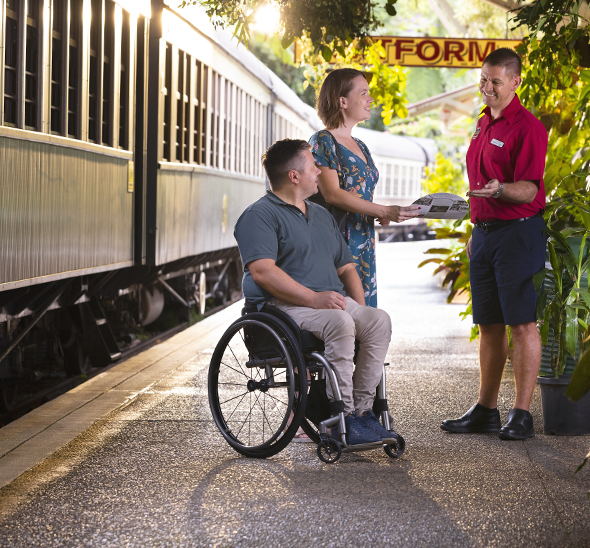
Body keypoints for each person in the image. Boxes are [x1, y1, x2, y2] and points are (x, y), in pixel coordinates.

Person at [234, 139, 395, 446]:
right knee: (340, 322)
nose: (320, 170)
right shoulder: (259, 215)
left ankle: (362, 414)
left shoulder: (320, 215)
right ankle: (342, 416)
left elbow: (346, 267)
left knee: (378, 321)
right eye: (313, 166)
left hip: (331, 303)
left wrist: (361, 312)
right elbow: (262, 271)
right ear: (294, 176)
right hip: (283, 306)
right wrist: (314, 299)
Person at [440, 48, 548, 441]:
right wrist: (474, 229)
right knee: (488, 324)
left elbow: (530, 188)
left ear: (516, 82)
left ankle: (521, 414)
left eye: (495, 82)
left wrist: (500, 189)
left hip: (518, 235)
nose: (487, 87)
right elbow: (478, 185)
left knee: (521, 323)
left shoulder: (528, 127)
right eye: (483, 79)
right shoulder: (483, 124)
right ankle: (486, 410)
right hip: (484, 235)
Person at [310, 68, 420, 308]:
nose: (370, 99)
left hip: (364, 239)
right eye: (364, 93)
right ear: (342, 101)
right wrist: (382, 210)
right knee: (346, 315)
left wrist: (378, 212)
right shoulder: (323, 141)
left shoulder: (361, 144)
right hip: (339, 241)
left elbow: (361, 193)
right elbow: (332, 194)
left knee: (365, 315)